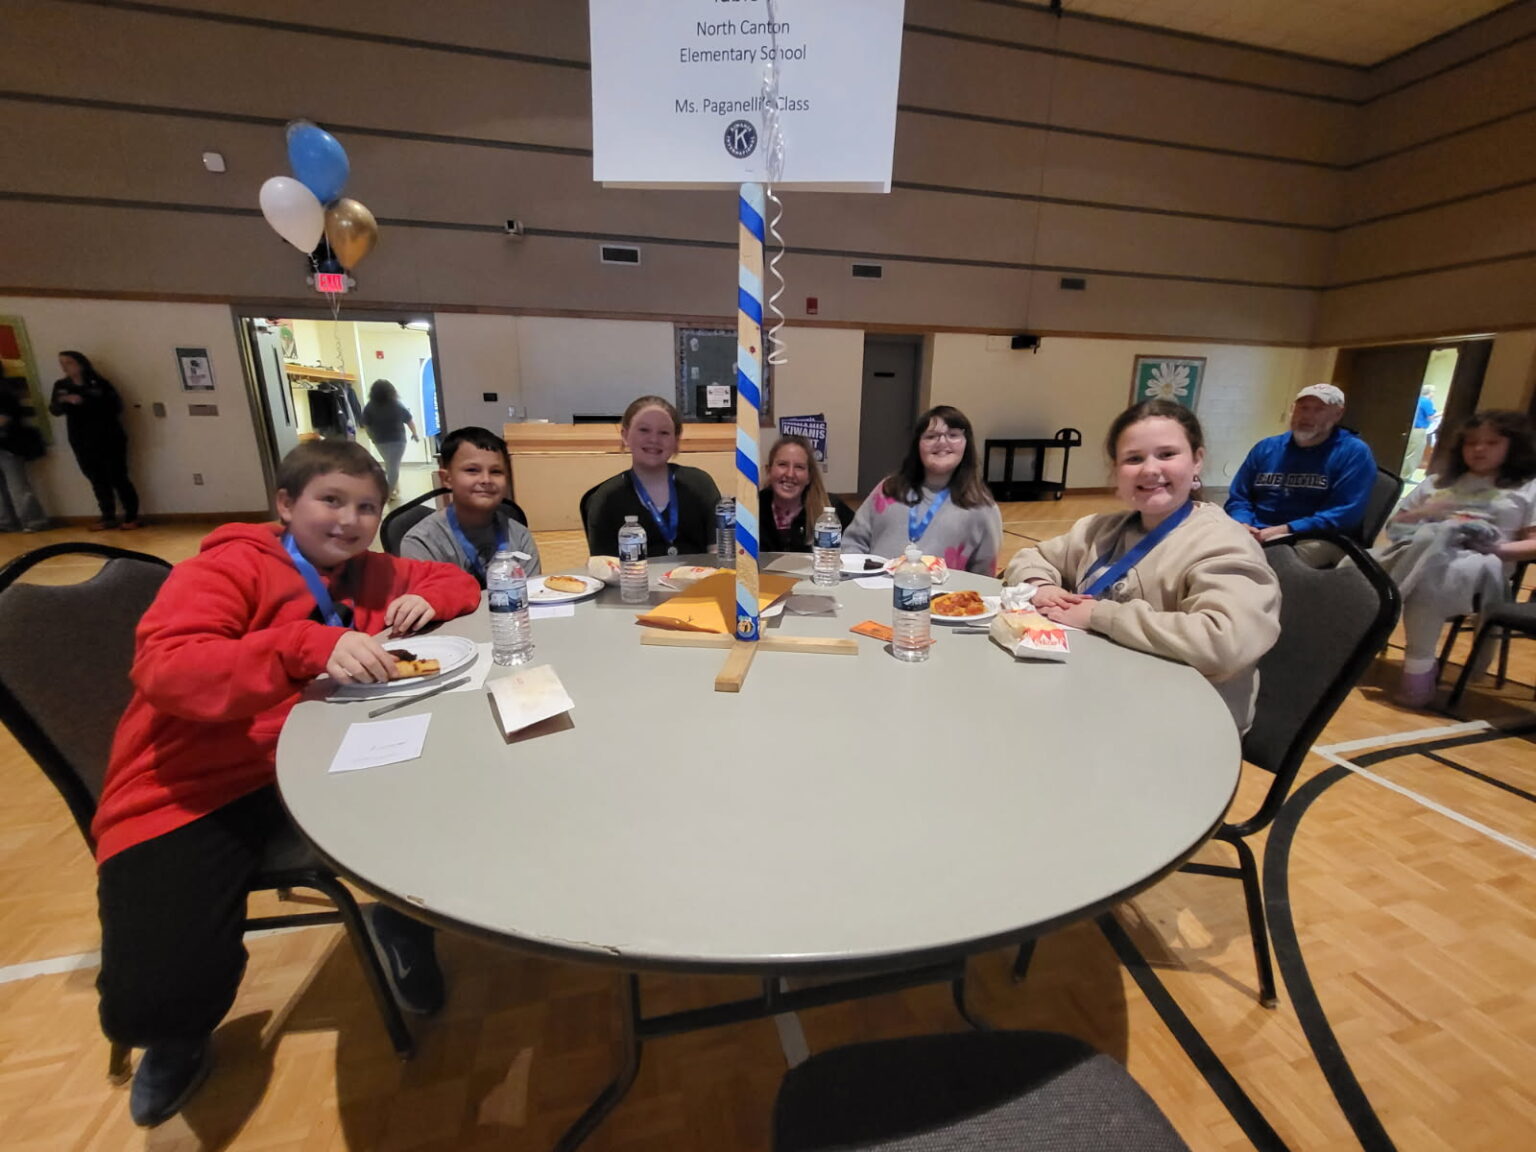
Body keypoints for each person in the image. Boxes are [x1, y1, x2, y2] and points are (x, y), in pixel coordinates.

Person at [92, 440, 481, 1127]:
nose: (349, 521)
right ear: (285, 504)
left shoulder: (372, 570)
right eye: (331, 500)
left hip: (331, 758)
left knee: (466, 786)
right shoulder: (226, 568)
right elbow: (170, 669)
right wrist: (303, 644)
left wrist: (425, 596)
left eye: (366, 507)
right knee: (156, 995)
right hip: (200, 784)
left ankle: (406, 918)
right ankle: (177, 1040)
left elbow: (457, 583)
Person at [1005, 400, 1281, 731]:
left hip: (1182, 723)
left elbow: (1225, 642)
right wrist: (1042, 586)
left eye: (1166, 454)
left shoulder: (1223, 542)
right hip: (1098, 696)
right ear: (1116, 471)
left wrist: (1099, 616)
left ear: (1197, 461)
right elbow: (1030, 557)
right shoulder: (1100, 530)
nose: (1150, 469)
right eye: (1134, 459)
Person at [1375, 410, 1536, 708]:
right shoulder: (1437, 483)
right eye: (1471, 442)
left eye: (1491, 442)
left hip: (1484, 560)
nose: (1479, 449)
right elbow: (1395, 527)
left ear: (1512, 446)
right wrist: (1426, 513)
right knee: (1362, 570)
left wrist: (1498, 549)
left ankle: (1418, 671)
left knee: (1432, 580)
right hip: (1421, 550)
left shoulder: (1526, 488)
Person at [842, 405, 1002, 574]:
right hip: (873, 587)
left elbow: (983, 577)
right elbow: (853, 543)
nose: (942, 442)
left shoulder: (982, 508)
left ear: (966, 444)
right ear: (917, 445)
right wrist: (856, 578)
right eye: (931, 436)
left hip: (943, 591)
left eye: (953, 435)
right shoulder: (888, 489)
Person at [1225, 383, 1377, 541]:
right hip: (1255, 530)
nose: (1307, 416)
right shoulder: (1266, 447)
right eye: (1303, 408)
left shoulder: (1354, 452)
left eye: (1319, 410)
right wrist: (1243, 523)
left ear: (1337, 414)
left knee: (1267, 555)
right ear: (1293, 409)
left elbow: (1344, 514)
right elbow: (1239, 497)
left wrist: (1283, 530)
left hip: (1313, 536)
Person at [401, 425, 541, 586]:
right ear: (446, 479)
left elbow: (532, 593)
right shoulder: (422, 542)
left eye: (496, 471)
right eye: (472, 470)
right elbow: (427, 598)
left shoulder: (519, 536)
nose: (486, 480)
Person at [583, 395, 721, 556]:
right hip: (634, 573)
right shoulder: (607, 498)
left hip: (698, 573)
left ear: (676, 441)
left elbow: (719, 553)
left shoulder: (700, 484)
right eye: (644, 430)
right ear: (625, 436)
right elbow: (604, 565)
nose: (654, 439)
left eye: (664, 432)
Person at [49, 350, 141, 530]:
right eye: (62, 363)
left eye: (69, 363)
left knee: (118, 476)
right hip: (80, 438)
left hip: (108, 436)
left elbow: (115, 406)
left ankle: (131, 516)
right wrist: (64, 400)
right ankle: (108, 516)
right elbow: (54, 409)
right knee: (96, 478)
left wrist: (84, 400)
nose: (65, 367)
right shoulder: (61, 386)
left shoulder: (99, 383)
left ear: (81, 364)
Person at [758, 434, 852, 552]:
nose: (790, 474)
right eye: (782, 464)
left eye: (799, 467)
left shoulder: (832, 509)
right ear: (769, 470)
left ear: (809, 477)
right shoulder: (751, 508)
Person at [0, 371, 49, 532]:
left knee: (18, 486)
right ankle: (6, 522)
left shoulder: (4, 393)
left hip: (9, 445)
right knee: (5, 490)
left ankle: (34, 522)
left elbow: (4, 418)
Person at [361, 379, 418, 498]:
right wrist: (414, 433)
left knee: (391, 464)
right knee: (392, 466)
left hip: (379, 441)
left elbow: (366, 425)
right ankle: (388, 492)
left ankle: (393, 489)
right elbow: (409, 420)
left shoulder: (369, 406)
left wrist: (371, 436)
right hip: (398, 440)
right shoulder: (397, 404)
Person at [1403, 385, 1439, 478]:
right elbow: (1430, 416)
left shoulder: (1418, 400)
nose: (1434, 394)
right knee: (1415, 453)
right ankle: (1406, 475)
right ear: (1429, 393)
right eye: (1433, 392)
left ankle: (1405, 474)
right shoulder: (1426, 401)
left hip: (1412, 429)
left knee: (1410, 452)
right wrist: (1443, 412)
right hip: (1419, 430)